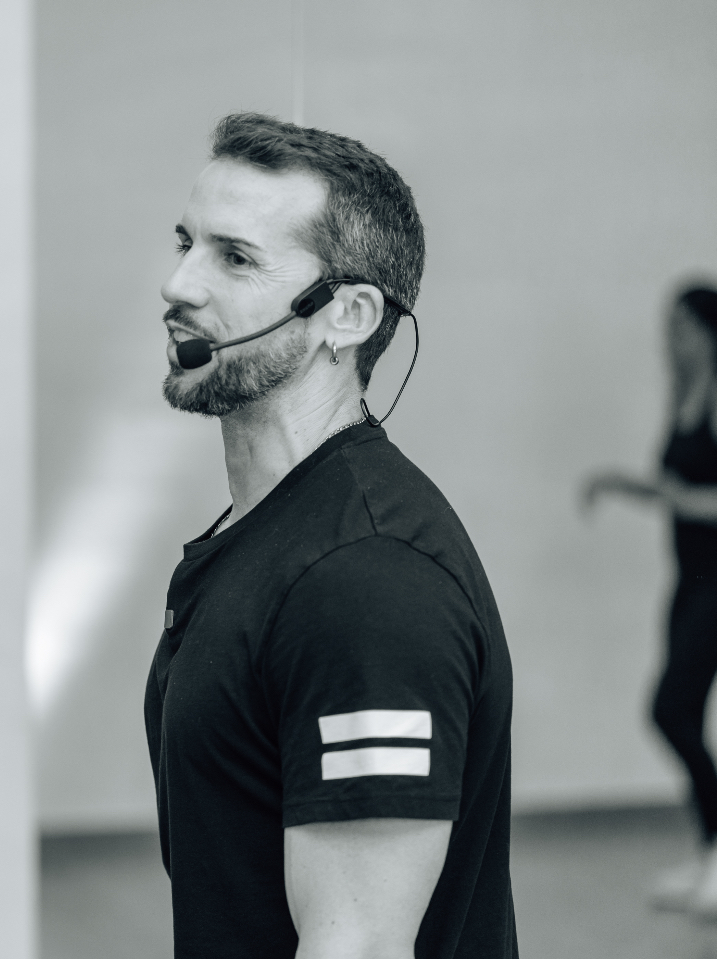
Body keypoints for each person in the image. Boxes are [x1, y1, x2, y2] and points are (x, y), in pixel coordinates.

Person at [143, 112, 516, 959]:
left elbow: (360, 944)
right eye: (186, 243)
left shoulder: (365, 580)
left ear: (346, 314)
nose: (179, 284)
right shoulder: (268, 531)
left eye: (236, 258)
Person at [584, 285, 717, 914]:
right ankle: (707, 853)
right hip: (690, 579)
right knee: (684, 714)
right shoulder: (684, 394)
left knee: (672, 711)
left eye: (680, 327)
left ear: (707, 331)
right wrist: (620, 484)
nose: (670, 339)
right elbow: (675, 487)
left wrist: (678, 499)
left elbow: (694, 497)